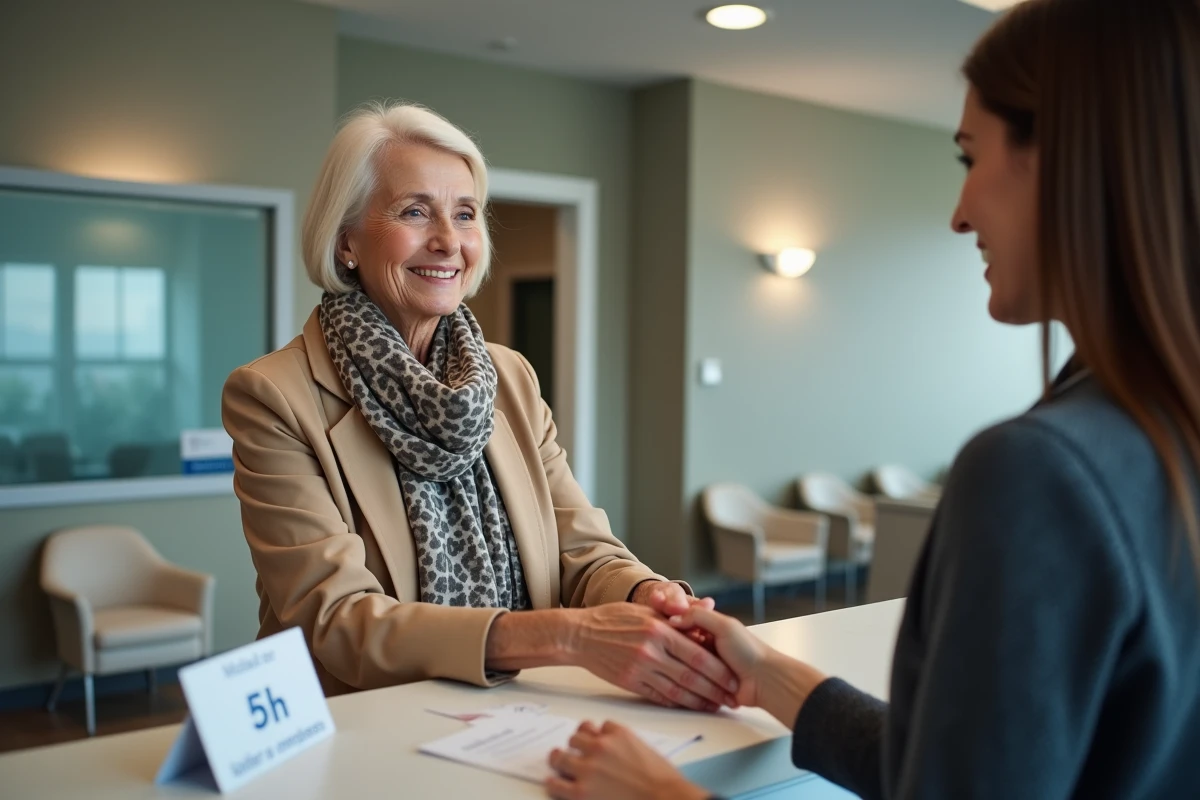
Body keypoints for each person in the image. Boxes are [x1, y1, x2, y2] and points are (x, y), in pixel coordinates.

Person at [545, 0, 1200, 796]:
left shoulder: (1042, 472)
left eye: (969, 158)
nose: (960, 215)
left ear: (1068, 160)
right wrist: (774, 675)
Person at [222, 101, 737, 712]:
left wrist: (648, 596)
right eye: (415, 211)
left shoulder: (509, 376)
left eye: (464, 214)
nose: (448, 241)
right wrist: (567, 637)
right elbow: (338, 621)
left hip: (515, 714)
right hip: (361, 727)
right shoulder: (273, 395)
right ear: (346, 242)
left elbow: (581, 552)